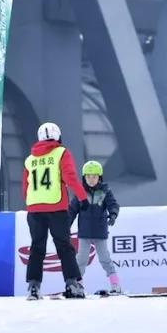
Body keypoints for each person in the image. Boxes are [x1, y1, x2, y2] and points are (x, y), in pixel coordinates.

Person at [23, 122, 88, 299]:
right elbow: (70, 178)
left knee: (37, 247)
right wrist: (83, 197)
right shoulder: (61, 153)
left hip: (34, 208)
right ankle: (72, 284)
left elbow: (25, 187)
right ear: (58, 136)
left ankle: (33, 287)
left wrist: (31, 203)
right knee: (64, 246)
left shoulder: (30, 159)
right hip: (56, 207)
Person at [68, 160, 122, 294]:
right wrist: (65, 225)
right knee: (81, 260)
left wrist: (113, 215)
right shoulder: (80, 192)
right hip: (84, 233)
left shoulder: (105, 191)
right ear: (84, 177)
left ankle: (115, 285)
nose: (91, 180)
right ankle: (78, 285)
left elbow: (113, 204)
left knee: (105, 259)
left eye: (94, 176)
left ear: (99, 177)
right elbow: (72, 210)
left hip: (100, 231)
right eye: (88, 177)